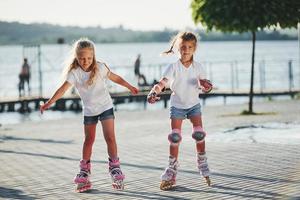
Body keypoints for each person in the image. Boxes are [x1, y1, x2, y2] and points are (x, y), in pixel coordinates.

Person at [40, 38, 139, 192]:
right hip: (89, 111)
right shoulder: (75, 73)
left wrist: (129, 86)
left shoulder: (100, 67)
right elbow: (62, 89)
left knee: (110, 137)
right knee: (89, 140)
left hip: (105, 107)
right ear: (76, 58)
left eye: (88, 58)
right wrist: (49, 102)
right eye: (81, 58)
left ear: (93, 56)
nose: (85, 61)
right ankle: (84, 170)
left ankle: (114, 166)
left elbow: (116, 77)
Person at [147, 31, 213, 190]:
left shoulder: (198, 67)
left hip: (193, 105)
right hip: (177, 105)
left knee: (199, 133)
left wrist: (207, 86)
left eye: (190, 47)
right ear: (178, 48)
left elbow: (206, 85)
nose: (186, 50)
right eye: (183, 47)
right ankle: (171, 170)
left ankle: (202, 162)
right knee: (175, 138)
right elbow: (162, 83)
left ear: (194, 48)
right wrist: (154, 92)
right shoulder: (173, 67)